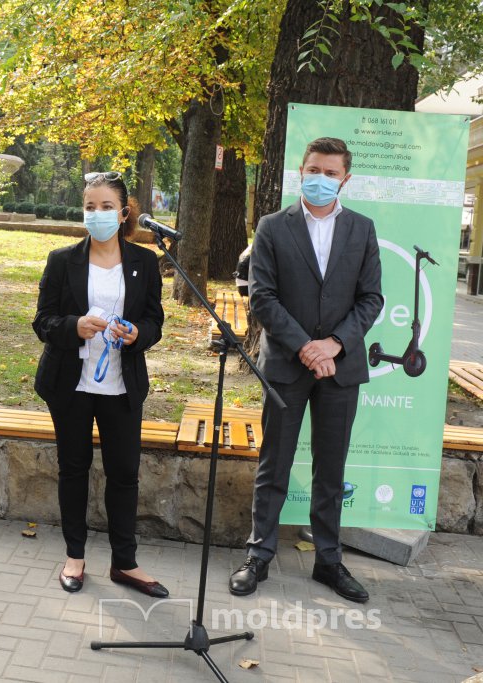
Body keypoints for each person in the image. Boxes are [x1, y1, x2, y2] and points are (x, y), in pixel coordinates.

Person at [229, 137, 382, 603]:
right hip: (286, 366)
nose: (321, 179)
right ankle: (259, 554)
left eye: (330, 173)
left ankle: (329, 560)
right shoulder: (273, 226)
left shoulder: (362, 229)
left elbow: (371, 298)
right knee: (273, 463)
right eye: (313, 170)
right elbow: (262, 297)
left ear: (345, 179)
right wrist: (306, 348)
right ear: (301, 171)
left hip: (341, 367)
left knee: (331, 469)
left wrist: (333, 345)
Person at [32, 171, 167, 598]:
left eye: (107, 206)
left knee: (124, 474)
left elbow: (154, 320)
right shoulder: (61, 260)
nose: (97, 214)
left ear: (124, 213)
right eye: (90, 206)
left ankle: (125, 562)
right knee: (73, 469)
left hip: (122, 386)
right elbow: (43, 321)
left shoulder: (144, 262)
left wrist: (137, 335)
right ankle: (74, 556)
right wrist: (74, 326)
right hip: (70, 385)